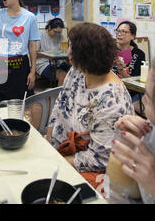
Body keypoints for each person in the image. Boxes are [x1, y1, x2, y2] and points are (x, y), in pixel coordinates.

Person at [46, 23, 134, 187]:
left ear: (81, 55)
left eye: (71, 45)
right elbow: (60, 106)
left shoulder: (112, 101)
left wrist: (59, 162)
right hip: (64, 153)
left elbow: (100, 159)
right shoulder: (78, 71)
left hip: (91, 172)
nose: (68, 50)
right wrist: (49, 145)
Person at [111, 43, 155, 203]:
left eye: (147, 98)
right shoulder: (153, 133)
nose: (143, 106)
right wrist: (128, 151)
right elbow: (127, 194)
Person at [111, 21, 145, 111]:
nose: (119, 34)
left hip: (130, 92)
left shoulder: (139, 54)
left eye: (124, 32)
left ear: (133, 36)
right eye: (118, 31)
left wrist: (122, 71)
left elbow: (136, 81)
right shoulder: (108, 50)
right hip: (110, 89)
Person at [35, 18, 70, 86]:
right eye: (55, 32)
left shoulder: (60, 36)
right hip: (44, 63)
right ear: (49, 27)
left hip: (58, 62)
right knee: (63, 76)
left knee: (73, 71)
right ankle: (59, 96)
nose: (57, 34)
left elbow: (64, 50)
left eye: (59, 32)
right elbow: (34, 54)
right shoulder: (40, 36)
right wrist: (47, 55)